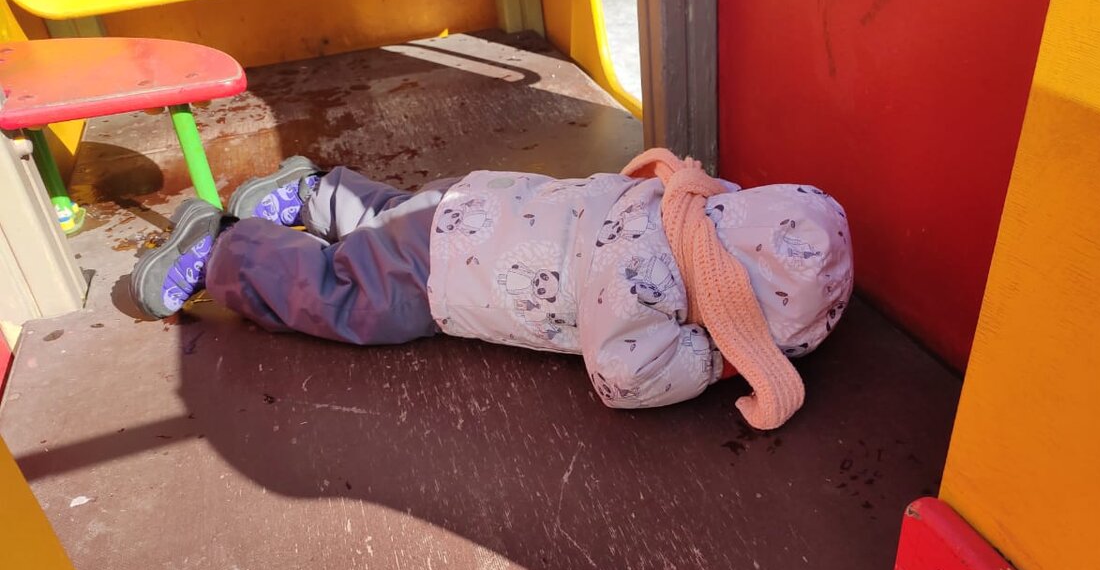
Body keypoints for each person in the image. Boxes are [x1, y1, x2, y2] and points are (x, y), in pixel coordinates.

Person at [131, 149, 853, 430]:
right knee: (346, 295)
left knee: (394, 214)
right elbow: (625, 376)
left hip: (471, 200)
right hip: (445, 278)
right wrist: (719, 359)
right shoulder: (646, 280)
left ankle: (310, 192)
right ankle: (225, 251)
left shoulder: (678, 198)